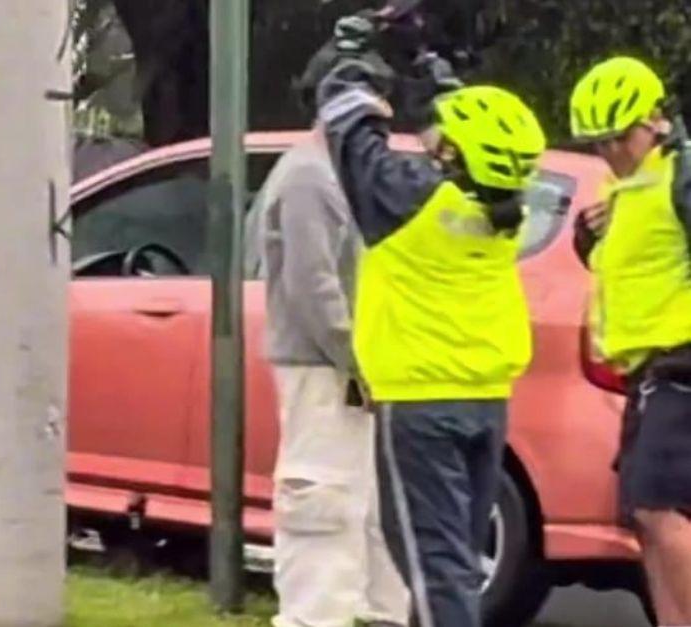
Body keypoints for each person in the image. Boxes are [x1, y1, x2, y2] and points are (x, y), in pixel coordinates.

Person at [316, 58, 547, 627]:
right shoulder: (505, 215)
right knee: (455, 565)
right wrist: (430, 69)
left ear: (456, 155)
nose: (431, 141)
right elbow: (480, 136)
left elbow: (346, 122)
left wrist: (357, 54)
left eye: (443, 139)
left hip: (419, 404)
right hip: (486, 401)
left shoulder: (409, 203)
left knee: (431, 567)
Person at [252, 28, 410, 627]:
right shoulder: (307, 179)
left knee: (367, 510)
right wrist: (359, 359)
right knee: (321, 506)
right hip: (323, 369)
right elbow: (313, 287)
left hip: (351, 367)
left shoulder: (340, 177)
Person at [569, 56, 691, 626]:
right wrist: (586, 238)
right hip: (642, 370)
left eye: (621, 137)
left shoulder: (680, 177)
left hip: (681, 364)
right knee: (642, 520)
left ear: (656, 120)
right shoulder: (625, 189)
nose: (612, 152)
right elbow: (627, 270)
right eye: (599, 144)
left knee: (657, 508)